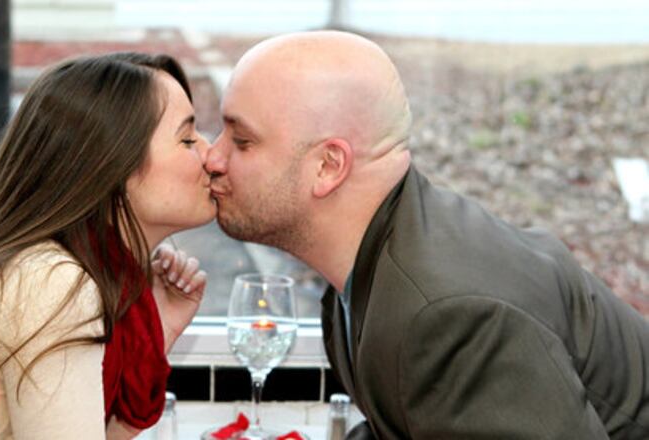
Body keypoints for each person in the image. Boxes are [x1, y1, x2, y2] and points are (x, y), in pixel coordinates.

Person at [205, 31, 649, 439]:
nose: (213, 157)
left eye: (242, 141)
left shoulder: (451, 314)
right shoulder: (376, 260)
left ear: (328, 166)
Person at [0, 52, 215, 439]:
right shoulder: (51, 282)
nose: (210, 153)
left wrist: (154, 334)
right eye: (187, 138)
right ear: (114, 166)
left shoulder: (50, 266)